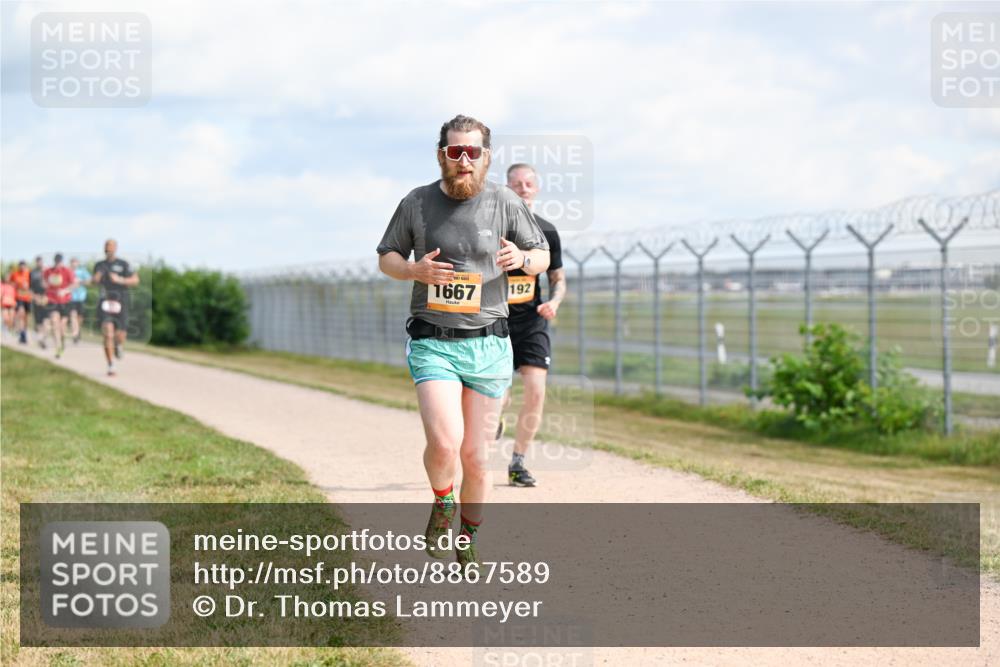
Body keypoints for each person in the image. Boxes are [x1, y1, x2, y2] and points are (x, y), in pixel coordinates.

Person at [377, 115, 549, 566]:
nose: (463, 161)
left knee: (476, 458)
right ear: (441, 155)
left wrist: (523, 257)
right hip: (434, 340)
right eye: (455, 152)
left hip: (489, 343)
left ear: (486, 157)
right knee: (445, 444)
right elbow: (387, 258)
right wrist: (413, 270)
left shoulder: (506, 201)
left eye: (473, 153)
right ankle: (441, 502)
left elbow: (541, 255)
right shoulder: (416, 203)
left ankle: (468, 535)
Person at [500, 163, 566, 487]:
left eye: (528, 183)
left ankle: (518, 461)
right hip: (495, 322)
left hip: (531, 321)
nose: (523, 188)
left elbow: (558, 278)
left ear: (536, 188)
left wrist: (553, 302)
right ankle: (495, 420)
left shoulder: (547, 230)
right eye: (516, 184)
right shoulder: (493, 229)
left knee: (536, 393)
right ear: (506, 189)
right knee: (501, 396)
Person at [92, 239, 139, 376]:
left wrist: (120, 279)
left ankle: (119, 345)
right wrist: (96, 278)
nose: (108, 248)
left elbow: (136, 280)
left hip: (121, 301)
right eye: (106, 246)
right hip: (105, 301)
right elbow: (94, 281)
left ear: (116, 248)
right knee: (108, 332)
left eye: (111, 246)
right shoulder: (99, 265)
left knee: (121, 334)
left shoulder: (123, 264)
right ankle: (110, 365)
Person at [42, 253, 74, 359]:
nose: (57, 263)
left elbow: (73, 285)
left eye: (59, 261)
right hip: (53, 301)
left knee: (62, 326)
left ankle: (62, 341)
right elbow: (44, 283)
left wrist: (65, 291)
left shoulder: (67, 271)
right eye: (56, 261)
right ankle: (58, 348)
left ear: (62, 261)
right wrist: (45, 286)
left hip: (65, 301)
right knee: (55, 323)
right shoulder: (48, 271)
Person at [68, 257, 92, 343]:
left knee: (80, 317)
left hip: (81, 297)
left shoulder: (82, 271)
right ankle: (75, 334)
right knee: (72, 315)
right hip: (71, 297)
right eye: (72, 262)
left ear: (78, 263)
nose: (74, 264)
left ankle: (78, 330)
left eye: (75, 262)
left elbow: (90, 281)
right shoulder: (68, 271)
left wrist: (80, 282)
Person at [8, 261, 32, 344]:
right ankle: (22, 334)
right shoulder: (15, 274)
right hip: (19, 297)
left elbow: (34, 284)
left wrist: (28, 286)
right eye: (20, 266)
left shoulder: (29, 273)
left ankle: (24, 333)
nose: (22, 268)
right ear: (19, 267)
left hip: (28, 298)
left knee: (26, 317)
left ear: (25, 266)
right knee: (21, 313)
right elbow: (10, 282)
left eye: (23, 266)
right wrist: (16, 285)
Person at [29, 256, 47, 346]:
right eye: (38, 262)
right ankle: (40, 336)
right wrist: (34, 296)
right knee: (38, 319)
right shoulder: (32, 273)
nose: (40, 263)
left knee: (45, 319)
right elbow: (30, 287)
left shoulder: (47, 271)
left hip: (45, 298)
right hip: (36, 298)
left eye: (41, 262)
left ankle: (42, 337)